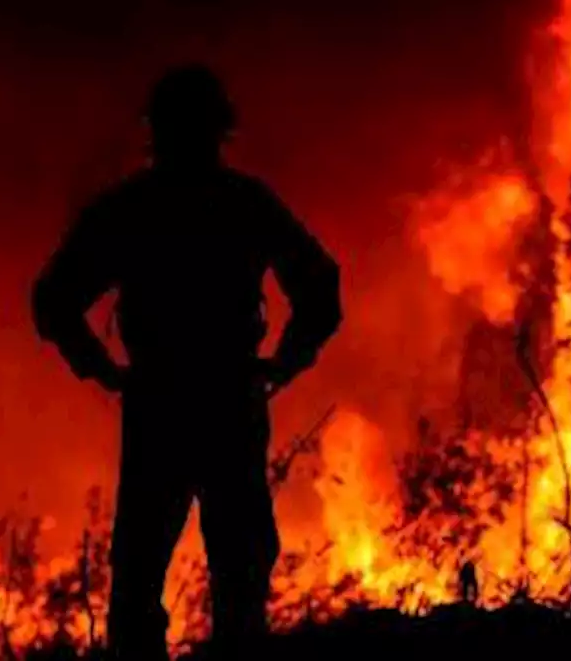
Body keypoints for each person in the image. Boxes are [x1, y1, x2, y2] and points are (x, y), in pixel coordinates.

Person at [31, 64, 342, 660]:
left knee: (152, 573)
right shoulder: (241, 204)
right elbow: (320, 286)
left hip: (163, 402)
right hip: (225, 399)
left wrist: (101, 369)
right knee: (234, 572)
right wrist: (284, 362)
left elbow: (54, 299)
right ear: (218, 129)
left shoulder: (134, 208)